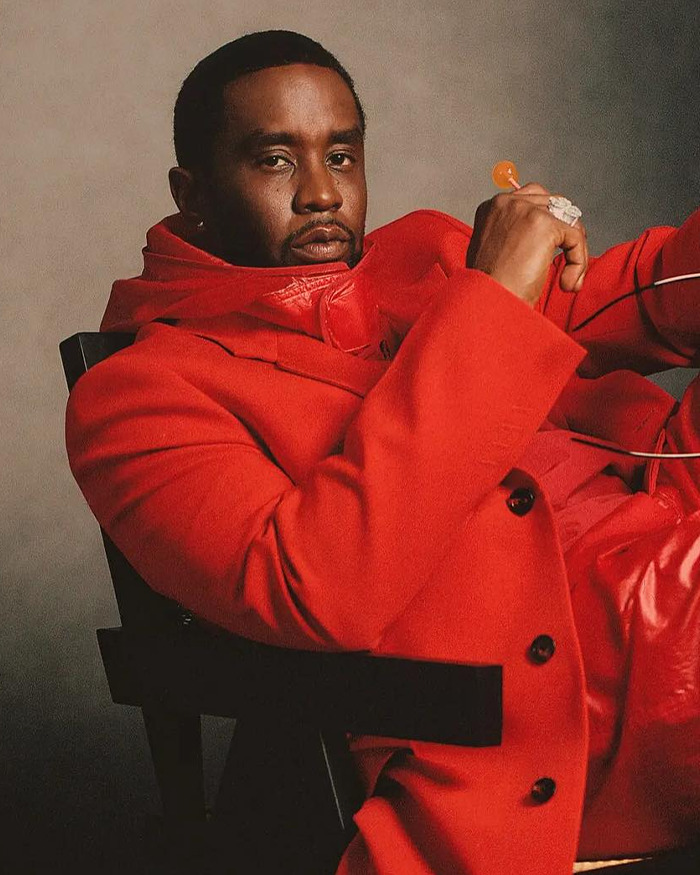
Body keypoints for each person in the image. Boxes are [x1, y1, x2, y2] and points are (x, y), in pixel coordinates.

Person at [65, 30, 700, 875]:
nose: (323, 193)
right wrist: (491, 299)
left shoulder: (425, 257)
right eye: (276, 161)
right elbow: (318, 585)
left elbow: (641, 298)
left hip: (669, 544)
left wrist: (497, 283)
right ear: (195, 193)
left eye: (341, 154)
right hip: (575, 683)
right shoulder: (141, 394)